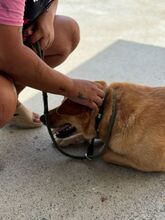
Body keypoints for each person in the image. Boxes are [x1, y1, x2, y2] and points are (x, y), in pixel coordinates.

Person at [0, 0, 104, 129]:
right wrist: (71, 87)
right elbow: (9, 54)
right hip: (6, 48)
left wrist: (47, 15)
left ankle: (13, 99)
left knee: (67, 32)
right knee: (3, 103)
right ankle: (7, 102)